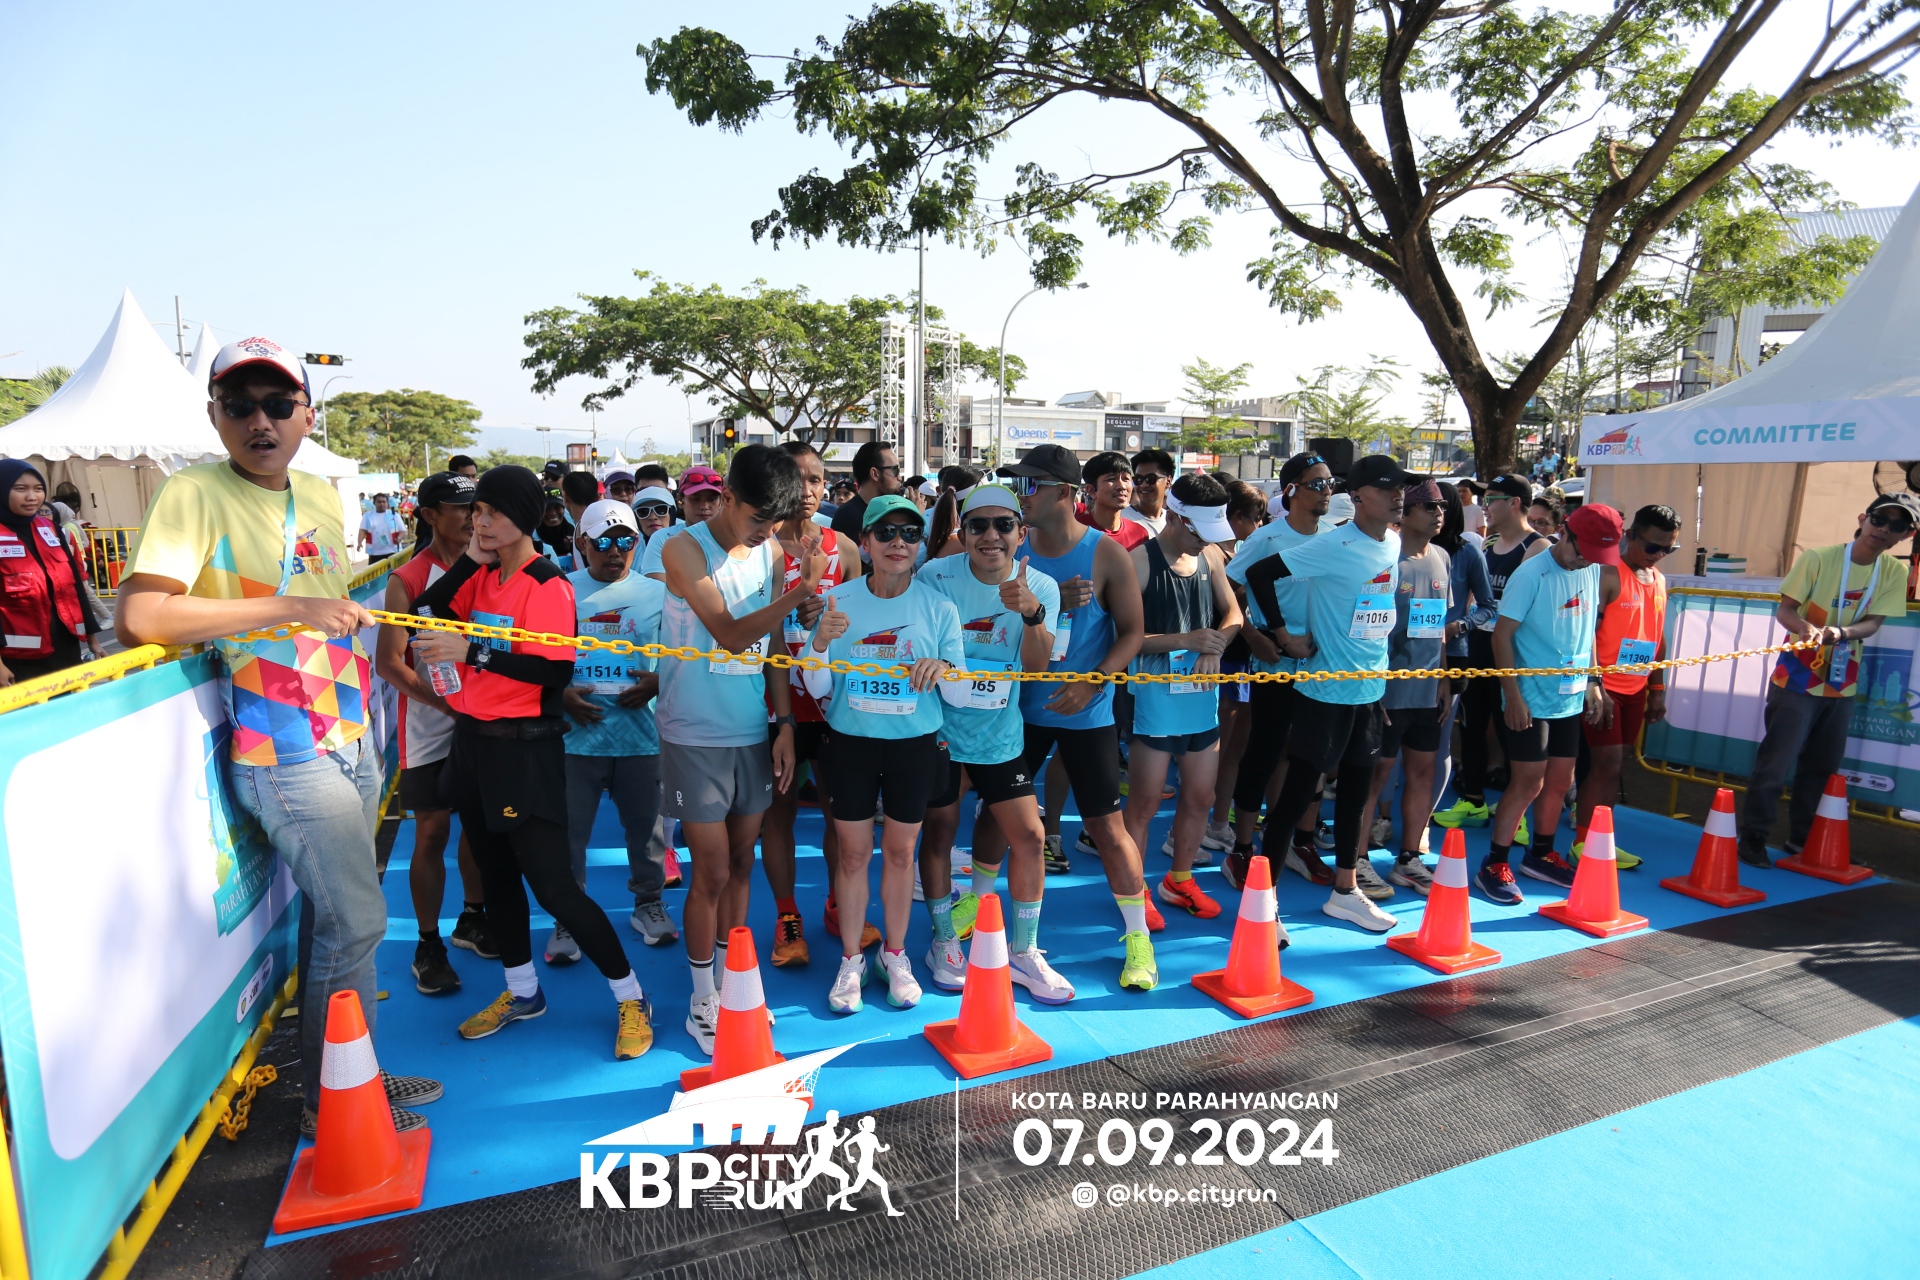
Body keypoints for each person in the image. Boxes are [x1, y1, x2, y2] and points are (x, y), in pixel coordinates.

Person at [116, 336, 440, 1133]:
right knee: (358, 921)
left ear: (306, 414)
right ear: (215, 416)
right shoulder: (193, 492)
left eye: (276, 404)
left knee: (336, 921)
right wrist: (289, 607)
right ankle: (336, 1106)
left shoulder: (320, 494)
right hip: (283, 747)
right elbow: (141, 616)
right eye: (239, 405)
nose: (259, 421)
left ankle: (351, 1079)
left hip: (349, 735)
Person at [409, 466, 652, 1061]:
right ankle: (522, 992)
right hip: (473, 746)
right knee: (495, 880)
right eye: (476, 512)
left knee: (556, 888)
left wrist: (472, 651)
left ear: (520, 515)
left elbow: (553, 670)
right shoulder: (482, 574)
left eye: (491, 512)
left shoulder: (548, 584)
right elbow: (425, 606)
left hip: (525, 750)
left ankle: (631, 997)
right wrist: (469, 561)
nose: (479, 521)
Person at [657, 445, 821, 1052]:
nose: (767, 532)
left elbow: (773, 644)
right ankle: (702, 999)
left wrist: (784, 724)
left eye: (775, 523)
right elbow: (729, 634)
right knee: (712, 869)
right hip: (692, 733)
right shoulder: (682, 549)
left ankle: (732, 983)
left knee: (742, 863)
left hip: (752, 730)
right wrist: (797, 592)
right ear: (726, 498)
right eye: (757, 519)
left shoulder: (771, 552)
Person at [976, 443, 1158, 990]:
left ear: (1062, 492)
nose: (1020, 496)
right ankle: (976, 906)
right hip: (1017, 711)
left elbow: (1133, 633)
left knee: (1106, 827)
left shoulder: (1106, 553)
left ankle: (1138, 937)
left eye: (1029, 485)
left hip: (1086, 711)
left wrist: (1093, 681)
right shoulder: (1008, 546)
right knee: (996, 815)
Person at [802, 495, 964, 1013]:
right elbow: (816, 686)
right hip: (850, 744)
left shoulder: (938, 608)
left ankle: (895, 955)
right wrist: (819, 646)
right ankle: (851, 959)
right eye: (886, 532)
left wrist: (944, 669)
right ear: (866, 542)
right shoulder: (838, 601)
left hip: (914, 747)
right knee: (852, 855)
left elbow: (960, 694)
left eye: (910, 534)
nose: (899, 543)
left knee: (899, 854)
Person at [1242, 455, 1417, 934]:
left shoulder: (1393, 541)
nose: (1398, 496)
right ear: (1357, 497)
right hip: (1323, 691)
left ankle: (1345, 891)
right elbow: (1259, 575)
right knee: (1295, 798)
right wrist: (1283, 637)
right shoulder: (1332, 543)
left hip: (1370, 691)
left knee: (1357, 795)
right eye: (1386, 488)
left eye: (1401, 488)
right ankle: (1264, 902)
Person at [915, 486, 1070, 1001]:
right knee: (939, 833)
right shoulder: (935, 576)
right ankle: (944, 940)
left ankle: (1024, 951)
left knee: (1029, 836)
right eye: (978, 525)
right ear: (962, 534)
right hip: (939, 731)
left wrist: (1032, 614)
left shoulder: (1040, 586)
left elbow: (1037, 668)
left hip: (998, 736)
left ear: (1021, 533)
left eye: (1003, 525)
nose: (991, 536)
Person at [1738, 492, 1917, 867]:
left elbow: (1873, 623)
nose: (1884, 529)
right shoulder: (1819, 558)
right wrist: (1806, 628)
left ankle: (1803, 840)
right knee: (1775, 763)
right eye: (1878, 519)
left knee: (1822, 767)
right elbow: (1786, 611)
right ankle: (1752, 835)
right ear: (1863, 518)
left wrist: (1841, 633)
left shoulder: (1893, 571)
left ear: (1907, 535)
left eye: (1897, 526)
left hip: (1843, 680)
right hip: (1797, 675)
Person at [377, 471, 493, 995]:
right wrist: (449, 705)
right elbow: (389, 663)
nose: (473, 518)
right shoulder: (407, 580)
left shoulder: (492, 565)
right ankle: (428, 944)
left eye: (479, 508)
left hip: (483, 720)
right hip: (429, 725)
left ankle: (473, 917)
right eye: (462, 508)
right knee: (431, 831)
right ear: (428, 515)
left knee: (479, 825)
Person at [1475, 503, 1621, 904]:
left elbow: (1587, 630)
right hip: (1529, 696)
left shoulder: (1591, 569)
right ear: (1566, 534)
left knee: (1560, 780)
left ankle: (1540, 854)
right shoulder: (1531, 574)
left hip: (1569, 695)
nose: (1586, 561)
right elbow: (1501, 636)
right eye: (1583, 551)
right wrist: (1512, 695)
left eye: (1596, 555)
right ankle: (1494, 863)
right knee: (1528, 781)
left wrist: (1594, 681)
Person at [1121, 475, 1242, 922]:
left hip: (1200, 699)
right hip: (1152, 701)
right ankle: (1134, 892)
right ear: (1175, 516)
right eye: (1199, 530)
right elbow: (1123, 638)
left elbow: (1233, 613)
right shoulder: (1138, 561)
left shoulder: (1210, 555)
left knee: (1201, 796)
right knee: (1145, 802)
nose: (1206, 540)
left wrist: (1216, 645)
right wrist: (1185, 640)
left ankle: (1179, 879)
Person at [560, 499, 678, 956]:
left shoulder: (658, 593)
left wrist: (658, 681)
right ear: (582, 542)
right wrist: (560, 694)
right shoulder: (560, 591)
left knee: (646, 832)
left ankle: (649, 903)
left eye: (626, 541)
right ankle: (570, 917)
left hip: (640, 738)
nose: (615, 551)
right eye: (603, 541)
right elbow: (536, 658)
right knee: (569, 836)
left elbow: (684, 657)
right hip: (576, 740)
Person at [762, 440, 856, 968]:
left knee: (842, 816)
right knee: (778, 814)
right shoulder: (761, 549)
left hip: (836, 707)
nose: (807, 489)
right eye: (795, 479)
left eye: (816, 479)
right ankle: (787, 916)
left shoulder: (845, 548)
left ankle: (840, 904)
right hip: (777, 708)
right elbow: (759, 633)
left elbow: (864, 625)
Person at [1223, 452, 1336, 880]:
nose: (1327, 492)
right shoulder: (1266, 539)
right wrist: (1254, 636)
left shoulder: (1335, 536)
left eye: (1330, 484)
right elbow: (1227, 591)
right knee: (1265, 752)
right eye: (1317, 484)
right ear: (1290, 491)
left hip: (1325, 667)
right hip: (1275, 665)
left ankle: (1299, 843)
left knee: (1313, 758)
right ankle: (1242, 848)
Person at [1354, 479, 1452, 898]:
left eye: (1442, 506)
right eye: (1429, 506)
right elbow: (1367, 628)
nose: (1439, 513)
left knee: (1423, 773)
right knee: (1376, 775)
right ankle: (1357, 859)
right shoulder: (1386, 558)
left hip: (1427, 692)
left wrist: (1444, 676)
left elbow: (1439, 625)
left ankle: (1409, 859)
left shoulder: (1443, 557)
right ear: (1406, 513)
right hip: (1386, 692)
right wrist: (1375, 689)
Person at [1434, 473, 1549, 831]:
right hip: (1478, 646)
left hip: (1511, 652)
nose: (1485, 506)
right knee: (1472, 727)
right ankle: (1473, 800)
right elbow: (1478, 598)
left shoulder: (1537, 547)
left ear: (1514, 503)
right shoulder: (1490, 543)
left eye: (1492, 499)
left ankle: (1518, 815)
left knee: (1510, 730)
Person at [1577, 503, 1679, 870]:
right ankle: (1582, 842)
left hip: (1636, 690)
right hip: (1602, 689)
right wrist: (1594, 683)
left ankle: (1599, 840)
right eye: (1653, 546)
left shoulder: (1659, 580)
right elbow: (1586, 635)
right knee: (1604, 766)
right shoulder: (1608, 574)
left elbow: (1657, 639)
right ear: (1630, 535)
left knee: (1616, 766)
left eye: (1669, 549)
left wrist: (1657, 690)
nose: (1659, 555)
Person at [0, 459, 105, 684]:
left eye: (38, 489)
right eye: (21, 489)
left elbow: (75, 587)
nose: (32, 497)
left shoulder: (50, 529)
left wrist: (93, 640)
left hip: (65, 647)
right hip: (16, 658)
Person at [641, 466, 725, 581]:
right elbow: (657, 585)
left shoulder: (733, 539)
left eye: (711, 499)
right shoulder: (661, 539)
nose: (704, 506)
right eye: (696, 499)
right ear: (680, 500)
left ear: (721, 502)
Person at [829, 441, 904, 551]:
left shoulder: (889, 511)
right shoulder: (848, 516)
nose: (899, 477)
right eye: (895, 470)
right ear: (875, 474)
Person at [1076, 451, 1150, 550]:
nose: (1122, 486)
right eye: (1111, 479)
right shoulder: (1074, 531)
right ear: (1091, 490)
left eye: (1126, 479)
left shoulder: (1140, 534)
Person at [1123, 448, 1175, 536]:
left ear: (1168, 481)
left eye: (1150, 479)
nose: (1143, 485)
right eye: (1138, 479)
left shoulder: (1173, 522)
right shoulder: (1120, 520)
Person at [358, 492, 405, 560]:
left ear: (387, 503)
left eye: (384, 502)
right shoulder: (367, 516)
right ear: (374, 503)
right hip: (374, 553)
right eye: (379, 502)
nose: (382, 504)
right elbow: (362, 530)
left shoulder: (394, 515)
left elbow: (402, 531)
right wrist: (359, 542)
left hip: (392, 551)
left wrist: (399, 538)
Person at [534, 496, 575, 563]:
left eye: (557, 508)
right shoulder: (534, 540)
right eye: (547, 509)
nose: (552, 513)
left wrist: (574, 548)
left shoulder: (575, 533)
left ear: (563, 509)